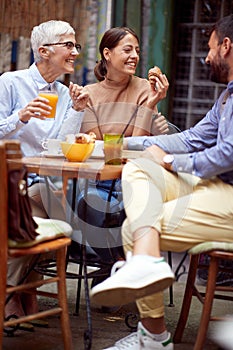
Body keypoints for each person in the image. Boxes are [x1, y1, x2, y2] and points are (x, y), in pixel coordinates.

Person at [90, 14, 233, 349]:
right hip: (217, 185)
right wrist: (120, 146)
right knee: (139, 168)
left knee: (136, 229)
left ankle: (153, 336)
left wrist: (169, 161)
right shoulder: (226, 97)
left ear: (226, 47)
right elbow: (193, 139)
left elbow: (228, 152)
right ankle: (147, 265)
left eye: (209, 50)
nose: (207, 58)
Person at [0, 20, 88, 323]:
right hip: (9, 180)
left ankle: (15, 291)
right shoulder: (10, 83)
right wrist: (19, 117)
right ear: (43, 51)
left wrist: (77, 110)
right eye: (69, 44)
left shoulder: (63, 94)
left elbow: (58, 146)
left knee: (46, 209)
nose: (75, 51)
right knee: (54, 209)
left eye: (76, 45)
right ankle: (23, 291)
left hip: (43, 180)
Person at [74, 27, 169, 262]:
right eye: (127, 50)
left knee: (137, 207)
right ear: (107, 53)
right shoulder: (89, 94)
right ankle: (116, 264)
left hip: (136, 178)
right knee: (87, 205)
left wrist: (148, 106)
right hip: (101, 181)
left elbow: (139, 146)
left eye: (137, 50)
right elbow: (96, 149)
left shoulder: (146, 89)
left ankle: (120, 268)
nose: (135, 55)